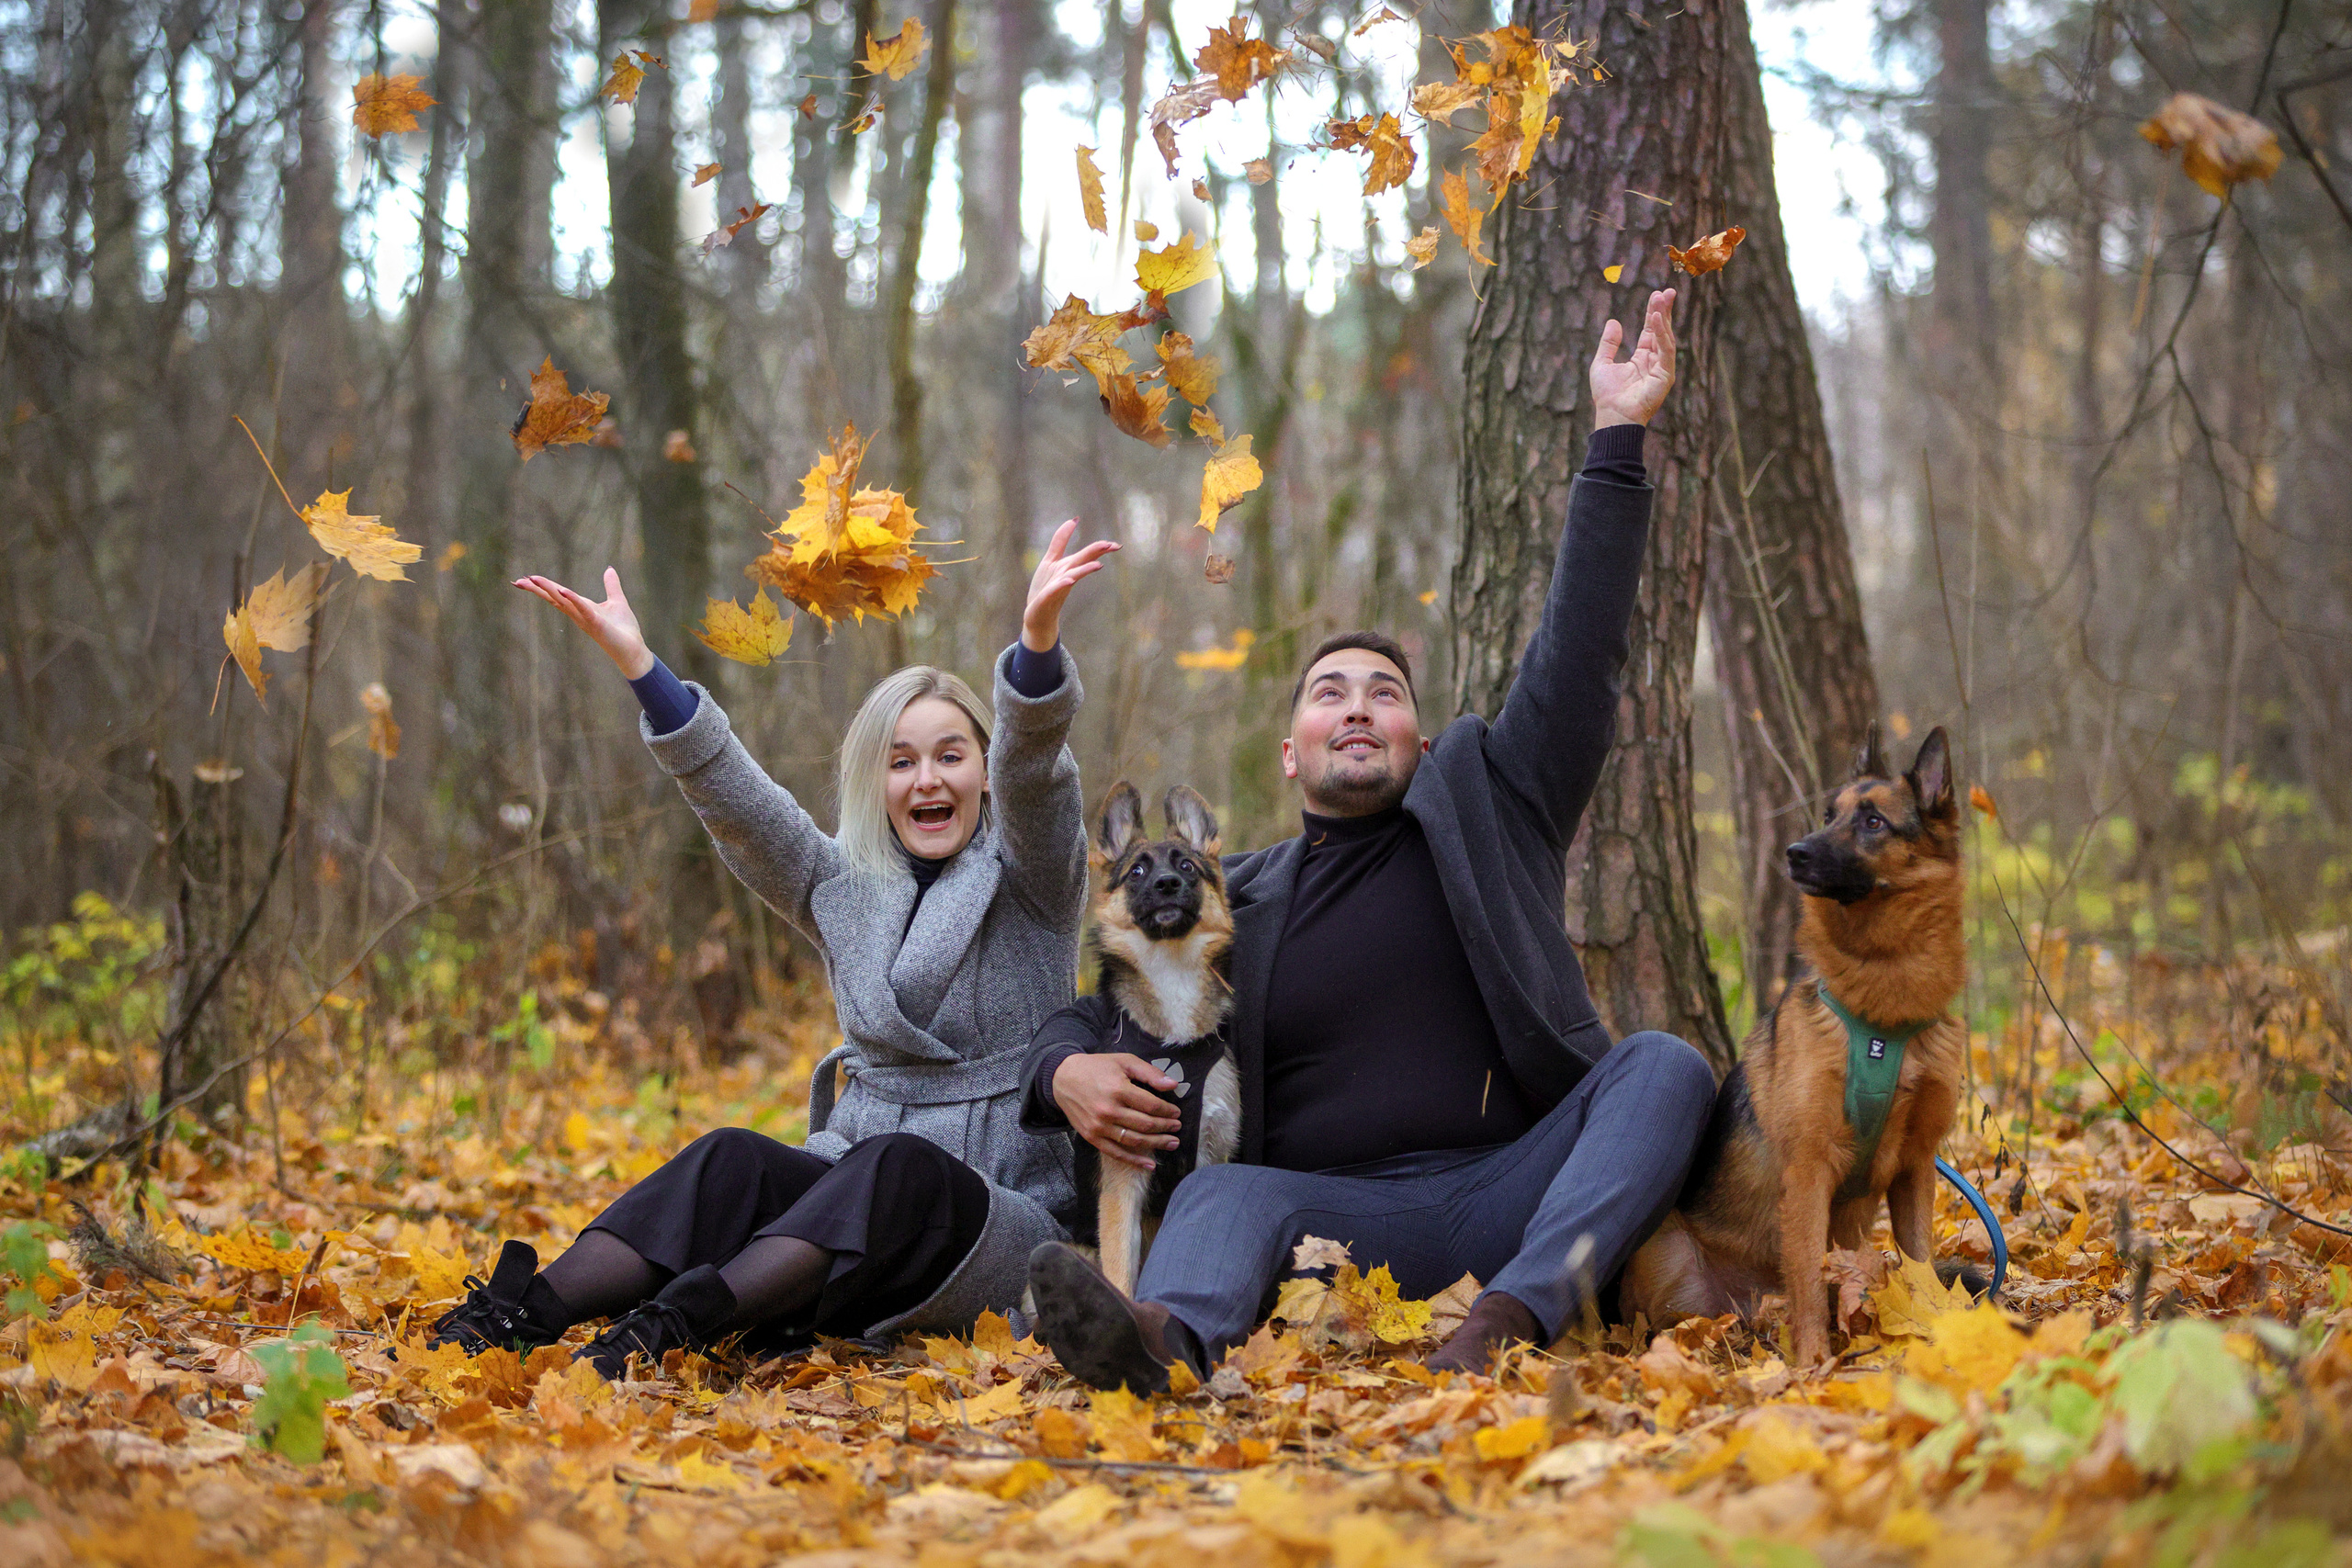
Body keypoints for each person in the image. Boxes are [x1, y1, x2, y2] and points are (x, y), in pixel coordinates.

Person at [1020, 289, 1719, 1387]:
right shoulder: (1233, 897)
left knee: (1666, 1068)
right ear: (1291, 753)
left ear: (1420, 739)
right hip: (1322, 1222)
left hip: (1513, 1186)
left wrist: (1616, 442)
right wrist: (1061, 1070)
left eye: (1382, 692)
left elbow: (1578, 656)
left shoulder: (1497, 812)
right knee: (1216, 1189)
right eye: (1327, 693)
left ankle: (1510, 1323)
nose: (1355, 706)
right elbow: (1094, 999)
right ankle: (1157, 1346)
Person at [424, 520, 1116, 1377]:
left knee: (898, 1166)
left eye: (951, 755)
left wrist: (1038, 650)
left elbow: (1038, 778)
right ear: (879, 782)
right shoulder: (844, 886)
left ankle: (675, 1324)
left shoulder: (1034, 882)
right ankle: (523, 1313)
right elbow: (746, 813)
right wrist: (645, 672)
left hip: (994, 1224)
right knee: (730, 1157)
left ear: (984, 769)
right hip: (844, 1195)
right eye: (901, 762)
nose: (927, 779)